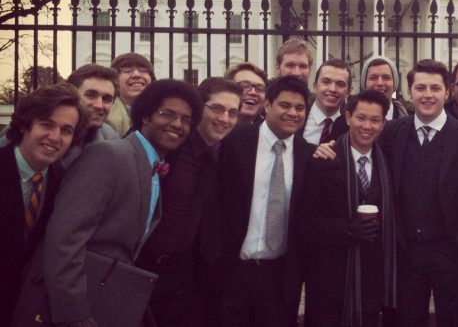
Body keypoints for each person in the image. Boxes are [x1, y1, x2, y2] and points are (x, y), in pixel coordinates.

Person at [43, 79, 202, 327]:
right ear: (146, 116)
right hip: (76, 305)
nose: (177, 124)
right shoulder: (109, 155)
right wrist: (74, 314)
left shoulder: (152, 167)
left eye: (186, 119)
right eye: (168, 114)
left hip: (107, 300)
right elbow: (64, 239)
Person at [379, 59, 458, 327]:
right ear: (409, 92)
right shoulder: (393, 133)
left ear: (447, 92)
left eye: (434, 88)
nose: (427, 94)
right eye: (420, 87)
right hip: (406, 253)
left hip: (453, 252)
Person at [136, 78, 241, 327]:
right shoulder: (168, 146)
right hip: (144, 268)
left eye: (232, 112)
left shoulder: (221, 156)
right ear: (199, 109)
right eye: (217, 108)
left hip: (186, 277)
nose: (225, 118)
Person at [215, 76, 315, 327]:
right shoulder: (233, 143)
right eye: (285, 105)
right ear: (268, 105)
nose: (293, 113)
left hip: (280, 278)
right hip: (233, 271)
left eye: (300, 108)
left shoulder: (310, 155)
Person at [299, 90, 396, 327]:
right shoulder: (324, 159)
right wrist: (349, 230)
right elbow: (306, 224)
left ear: (383, 123)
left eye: (375, 120)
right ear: (348, 116)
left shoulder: (389, 162)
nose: (367, 126)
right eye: (361, 118)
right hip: (329, 278)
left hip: (371, 278)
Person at [0, 84, 86, 325]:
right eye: (47, 125)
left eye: (67, 130)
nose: (55, 137)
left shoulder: (66, 183)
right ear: (25, 124)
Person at [0, 64, 119, 169]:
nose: (99, 105)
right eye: (91, 95)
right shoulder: (25, 127)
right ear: (71, 93)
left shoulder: (111, 138)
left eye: (107, 99)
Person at [300, 58, 351, 145]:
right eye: (326, 82)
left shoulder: (351, 125)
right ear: (315, 86)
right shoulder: (297, 117)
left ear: (348, 92)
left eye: (340, 84)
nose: (332, 89)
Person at [106, 52, 156, 137]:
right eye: (127, 70)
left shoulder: (161, 112)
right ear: (115, 81)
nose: (136, 75)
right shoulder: (106, 117)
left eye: (143, 70)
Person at [360, 56, 409, 120]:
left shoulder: (412, 118)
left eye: (386, 77)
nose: (380, 83)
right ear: (365, 83)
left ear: (394, 83)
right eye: (373, 77)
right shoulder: (350, 118)